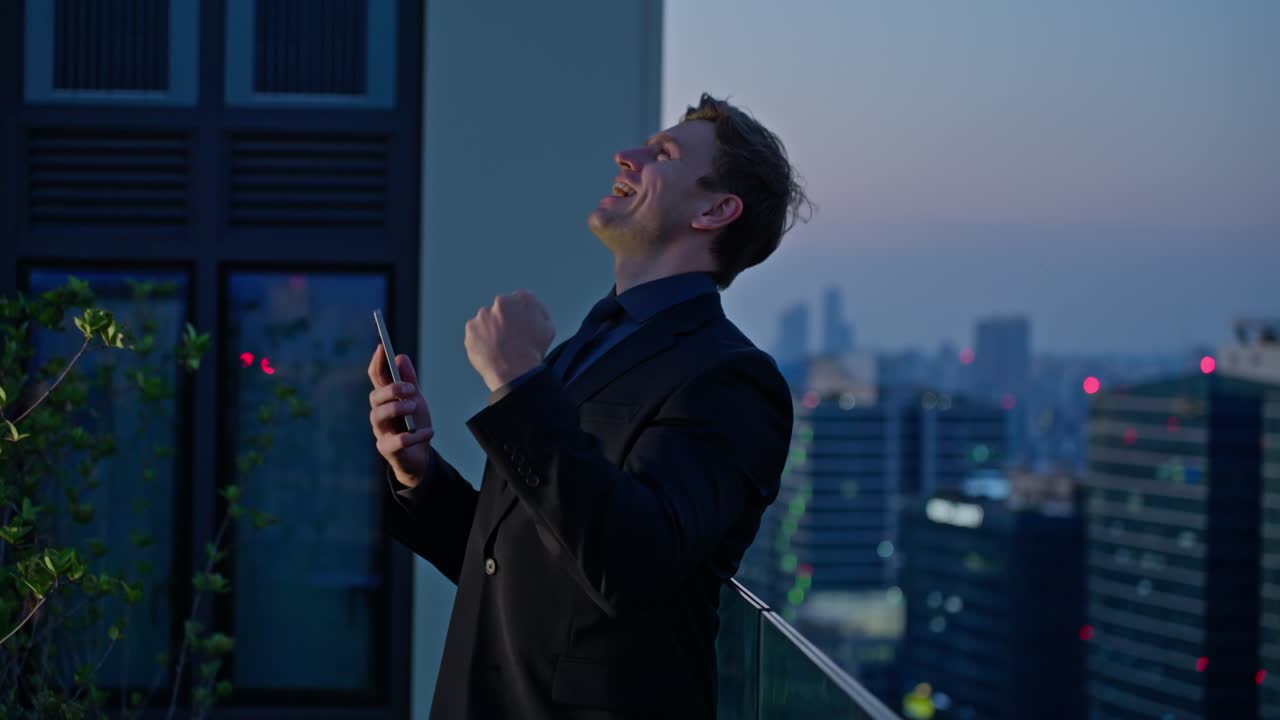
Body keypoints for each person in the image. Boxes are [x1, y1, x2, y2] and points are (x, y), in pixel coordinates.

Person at [368, 94, 808, 719]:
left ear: (716, 209)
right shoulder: (585, 348)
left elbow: (630, 563)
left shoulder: (733, 379)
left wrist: (518, 379)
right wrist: (418, 475)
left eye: (662, 154)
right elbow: (517, 559)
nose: (624, 157)